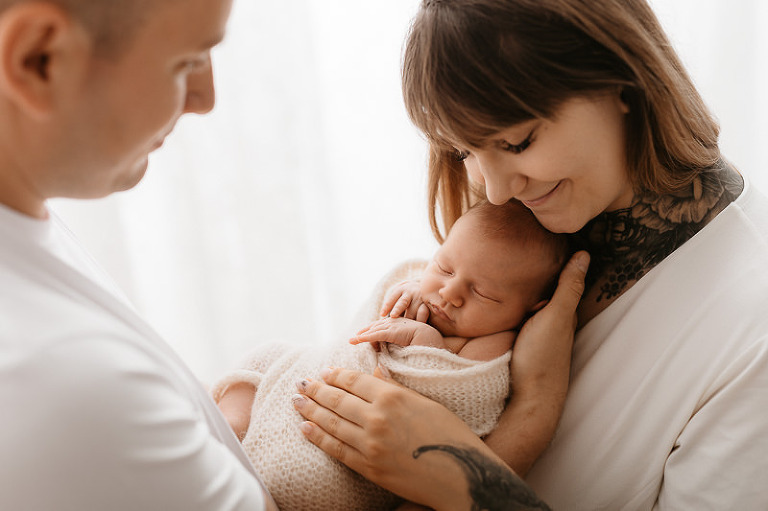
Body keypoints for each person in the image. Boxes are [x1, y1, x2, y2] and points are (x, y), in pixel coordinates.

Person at [292, 0, 768, 509]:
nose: (495, 190)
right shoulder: (521, 225)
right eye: (465, 151)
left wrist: (464, 477)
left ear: (621, 82)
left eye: (517, 142)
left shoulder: (750, 324)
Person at [0, 0, 279, 509]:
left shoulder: (25, 217)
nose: (205, 98)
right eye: (185, 63)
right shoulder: (65, 387)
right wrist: (466, 483)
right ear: (38, 59)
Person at [212, 199, 569, 510]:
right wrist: (405, 290)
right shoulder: (422, 285)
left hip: (350, 443)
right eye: (444, 267)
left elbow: (463, 394)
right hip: (320, 377)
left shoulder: (496, 342)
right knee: (270, 356)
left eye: (485, 294)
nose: (450, 292)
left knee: (306, 479)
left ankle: (247, 466)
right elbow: (365, 329)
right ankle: (231, 431)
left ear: (530, 309)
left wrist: (423, 338)